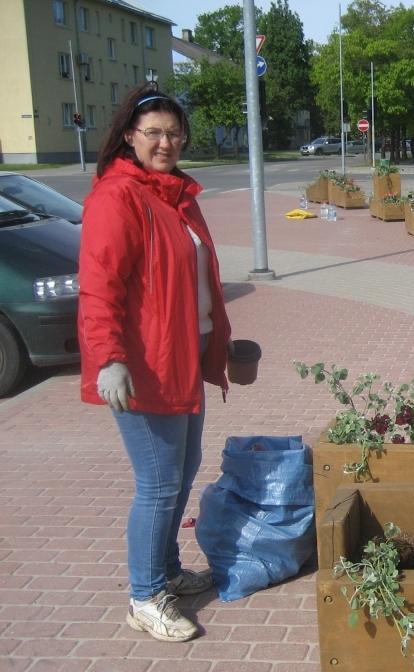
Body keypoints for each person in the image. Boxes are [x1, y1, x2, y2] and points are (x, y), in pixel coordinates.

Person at [78, 83, 232, 642]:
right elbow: (99, 286)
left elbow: (196, 283)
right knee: (159, 483)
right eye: (153, 133)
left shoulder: (175, 195)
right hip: (144, 366)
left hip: (183, 357)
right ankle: (145, 596)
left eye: (173, 132)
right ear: (129, 137)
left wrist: (222, 344)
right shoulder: (118, 196)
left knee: (181, 472)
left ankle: (166, 569)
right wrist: (108, 359)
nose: (165, 142)